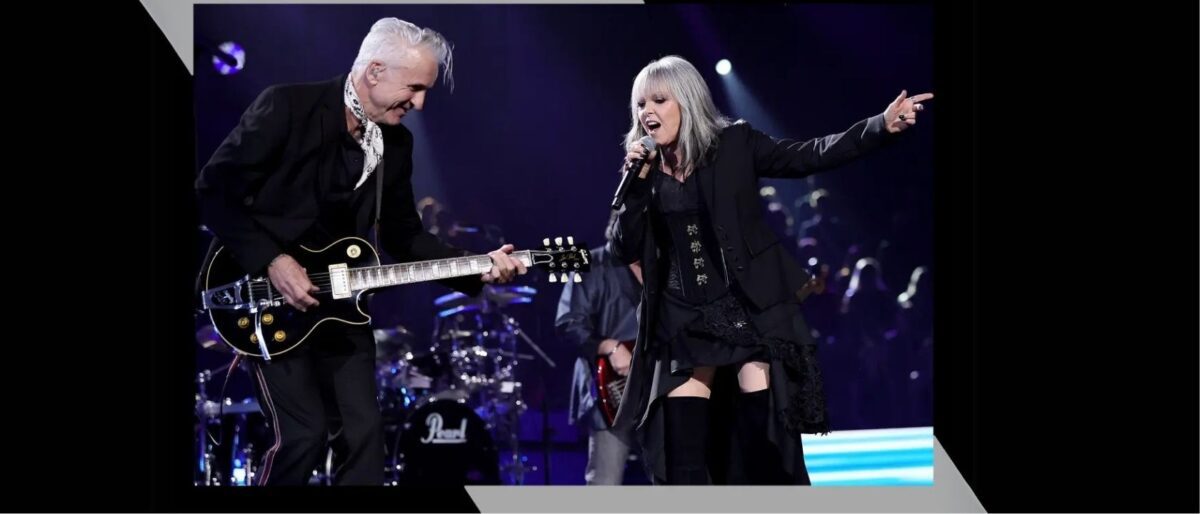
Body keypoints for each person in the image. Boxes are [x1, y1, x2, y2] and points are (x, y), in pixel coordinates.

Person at [195, 17, 526, 485]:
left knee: (364, 436)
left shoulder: (397, 141)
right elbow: (213, 191)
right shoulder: (288, 106)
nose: (420, 102)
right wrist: (273, 259)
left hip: (343, 309)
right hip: (266, 299)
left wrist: (479, 267)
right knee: (303, 435)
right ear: (374, 72)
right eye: (414, 87)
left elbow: (403, 236)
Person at [608, 55, 931, 484]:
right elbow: (621, 246)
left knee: (763, 442)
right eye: (640, 104)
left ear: (685, 100)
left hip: (744, 309)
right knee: (684, 453)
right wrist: (637, 187)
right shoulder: (643, 172)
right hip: (682, 316)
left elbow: (807, 155)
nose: (647, 113)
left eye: (658, 100)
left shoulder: (735, 145)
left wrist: (878, 126)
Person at [555, 215, 645, 485]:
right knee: (605, 482)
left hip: (656, 390)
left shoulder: (664, 269)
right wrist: (610, 346)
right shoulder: (592, 265)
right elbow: (567, 323)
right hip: (610, 390)